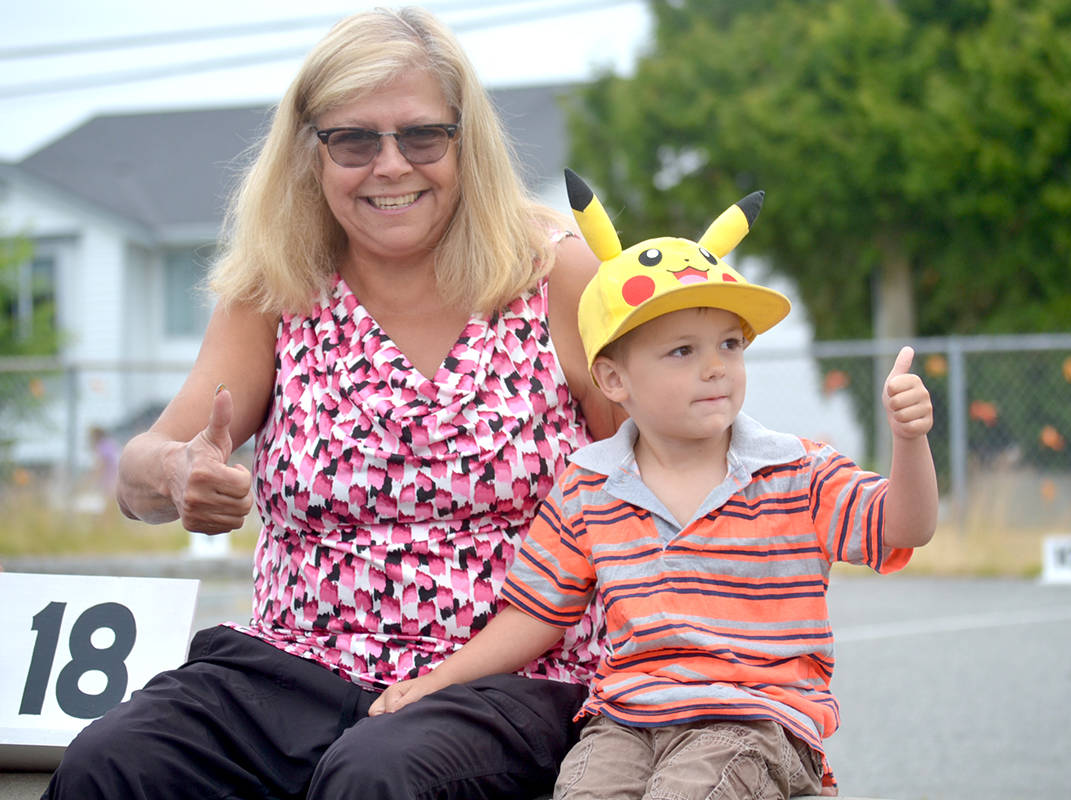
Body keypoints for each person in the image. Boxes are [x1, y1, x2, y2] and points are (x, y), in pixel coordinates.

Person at [44, 8, 621, 800]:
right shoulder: (277, 292)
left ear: (467, 142)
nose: (390, 166)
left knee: (376, 775)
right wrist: (180, 474)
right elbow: (137, 473)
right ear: (310, 152)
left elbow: (659, 475)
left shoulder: (560, 279)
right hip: (295, 670)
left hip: (510, 675)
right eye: (353, 140)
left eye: (422, 136)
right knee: (110, 763)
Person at [370, 170, 939, 798]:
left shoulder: (797, 471)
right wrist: (433, 682)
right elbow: (532, 616)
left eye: (729, 343)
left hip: (753, 719)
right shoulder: (589, 488)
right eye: (682, 351)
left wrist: (909, 442)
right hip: (626, 721)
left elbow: (905, 527)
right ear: (614, 380)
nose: (716, 366)